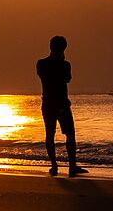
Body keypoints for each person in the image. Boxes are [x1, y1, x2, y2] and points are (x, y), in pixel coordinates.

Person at [36, 35, 87, 177]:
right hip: (62, 104)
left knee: (49, 135)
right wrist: (62, 61)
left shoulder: (41, 63)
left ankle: (54, 166)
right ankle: (72, 166)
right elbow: (67, 79)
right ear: (64, 48)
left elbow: (42, 76)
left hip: (47, 104)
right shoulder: (65, 65)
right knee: (70, 135)